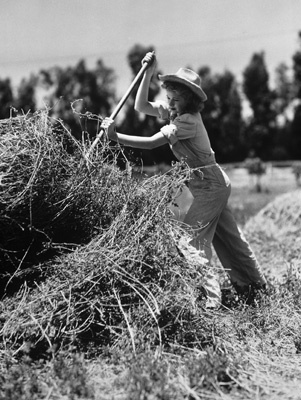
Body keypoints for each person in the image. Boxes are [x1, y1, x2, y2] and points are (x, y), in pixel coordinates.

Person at [100, 52, 267, 307]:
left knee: (191, 240)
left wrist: (116, 137)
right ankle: (254, 287)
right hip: (210, 185)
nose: (171, 103)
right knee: (228, 238)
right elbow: (140, 106)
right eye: (169, 98)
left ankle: (208, 302)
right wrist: (147, 72)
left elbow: (152, 143)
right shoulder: (173, 114)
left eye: (176, 100)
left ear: (189, 101)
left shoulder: (188, 121)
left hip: (211, 186)